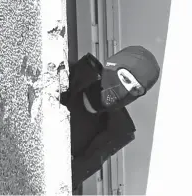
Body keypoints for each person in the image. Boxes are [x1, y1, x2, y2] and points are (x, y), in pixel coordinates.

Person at [60, 45, 160, 194]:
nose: (126, 91)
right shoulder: (63, 75)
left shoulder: (112, 132)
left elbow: (66, 181)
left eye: (136, 90)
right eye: (125, 78)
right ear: (111, 65)